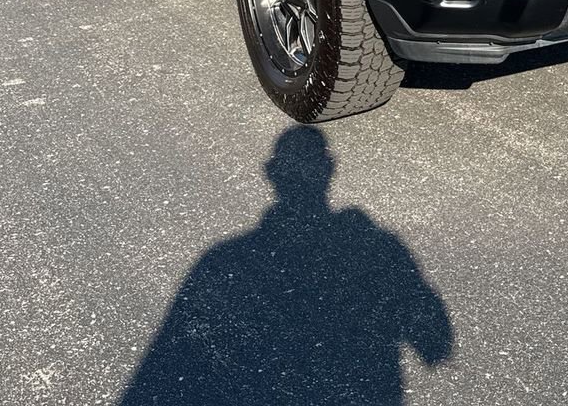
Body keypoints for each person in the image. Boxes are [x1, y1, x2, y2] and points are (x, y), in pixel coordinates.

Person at [119, 127, 453, 405]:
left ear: (272, 173)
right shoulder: (379, 243)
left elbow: (166, 366)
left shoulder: (224, 257)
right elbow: (436, 344)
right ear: (329, 167)